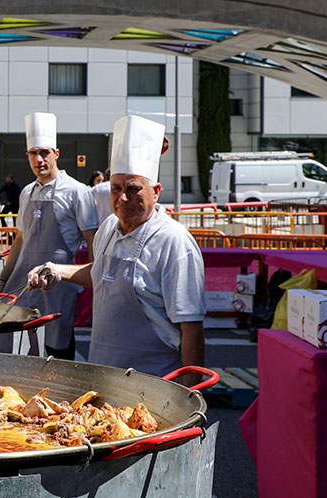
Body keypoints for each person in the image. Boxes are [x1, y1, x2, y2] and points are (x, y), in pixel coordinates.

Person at [26, 115, 206, 383]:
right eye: (116, 188)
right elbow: (103, 274)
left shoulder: (173, 241)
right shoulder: (110, 226)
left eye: (134, 189)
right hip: (103, 373)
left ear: (155, 191)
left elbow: (191, 328)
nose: (123, 198)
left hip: (153, 382)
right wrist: (57, 270)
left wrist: (193, 395)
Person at [0, 112, 99, 359]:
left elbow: (92, 239)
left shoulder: (77, 191)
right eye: (33, 153)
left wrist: (94, 283)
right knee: (22, 351)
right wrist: (2, 280)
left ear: (56, 154)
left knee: (58, 350)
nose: (39, 159)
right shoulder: (26, 192)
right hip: (23, 284)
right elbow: (20, 239)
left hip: (59, 286)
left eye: (44, 153)